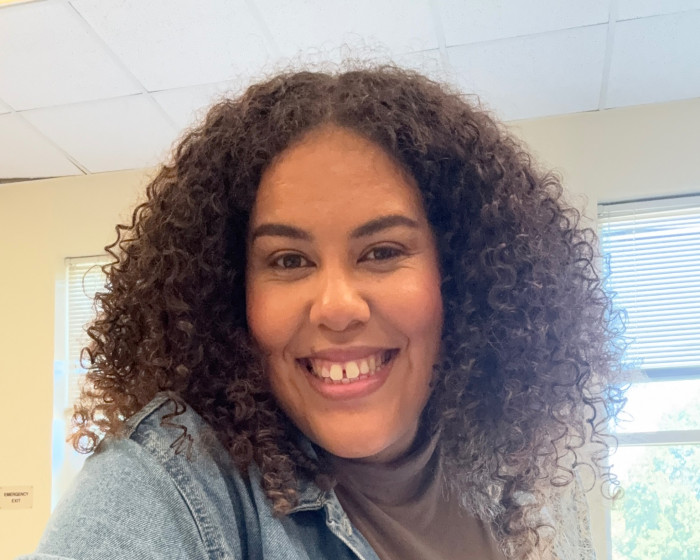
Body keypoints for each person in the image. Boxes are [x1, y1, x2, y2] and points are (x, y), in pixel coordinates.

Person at [22, 66, 624, 560]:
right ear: (233, 294)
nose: (337, 306)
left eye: (382, 252)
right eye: (288, 260)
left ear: (459, 276)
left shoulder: (515, 467)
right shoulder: (174, 484)